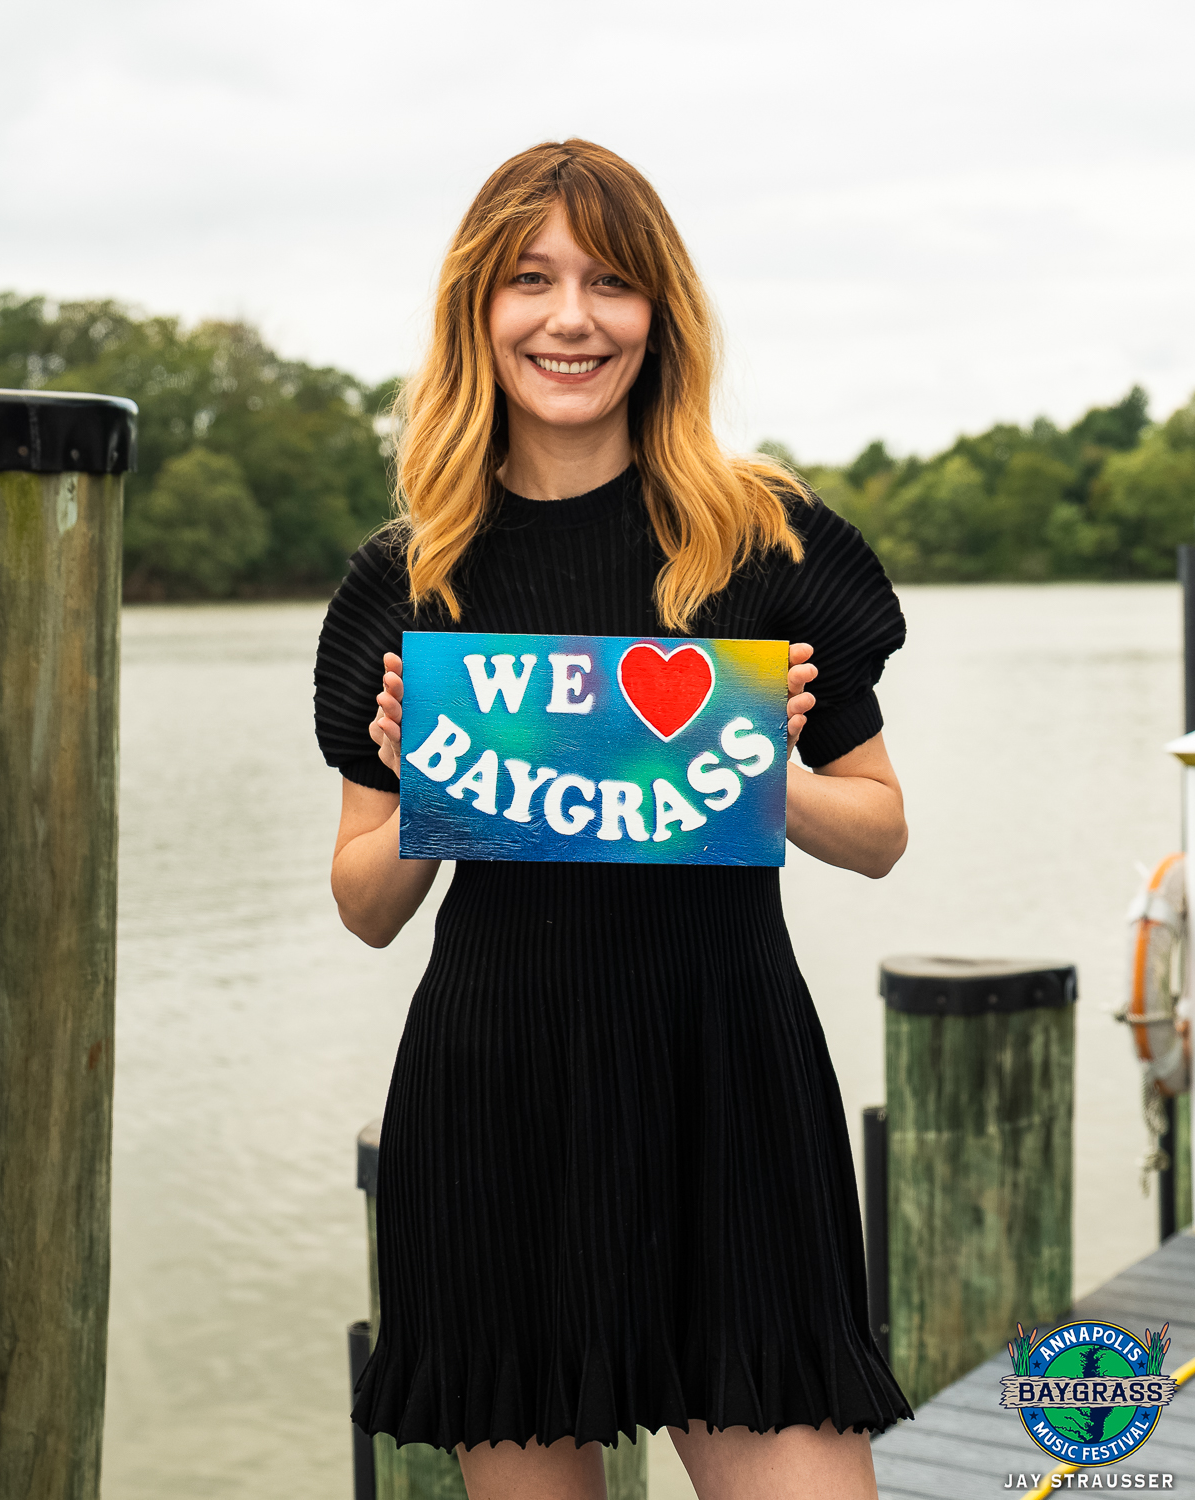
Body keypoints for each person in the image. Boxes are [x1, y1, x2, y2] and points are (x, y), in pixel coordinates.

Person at [314, 138, 911, 1500]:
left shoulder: (764, 537)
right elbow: (363, 905)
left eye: (610, 282)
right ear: (478, 309)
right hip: (499, 1096)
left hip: (727, 1084)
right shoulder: (409, 580)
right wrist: (421, 788)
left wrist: (758, 766)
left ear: (660, 313)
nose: (571, 318)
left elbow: (879, 832)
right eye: (530, 280)